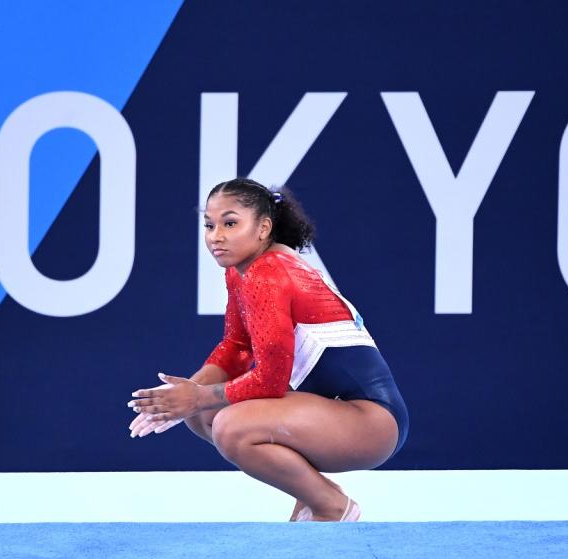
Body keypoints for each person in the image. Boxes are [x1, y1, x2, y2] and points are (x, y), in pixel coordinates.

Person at [127, 178, 409, 522]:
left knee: (230, 425)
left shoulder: (269, 273)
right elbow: (236, 346)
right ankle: (315, 494)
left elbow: (271, 381)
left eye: (230, 223)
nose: (216, 236)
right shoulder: (241, 271)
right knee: (202, 415)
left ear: (263, 228)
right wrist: (184, 394)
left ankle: (330, 506)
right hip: (332, 410)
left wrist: (198, 397)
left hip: (373, 423)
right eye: (210, 225)